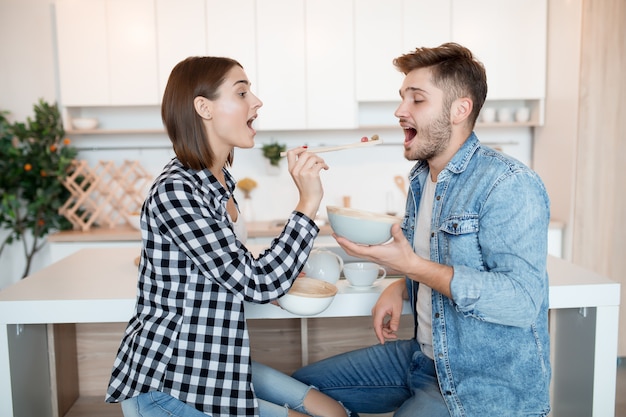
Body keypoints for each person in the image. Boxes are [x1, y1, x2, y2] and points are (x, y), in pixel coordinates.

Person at [292, 42, 552, 417]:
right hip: (422, 358)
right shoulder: (423, 179)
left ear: (460, 109)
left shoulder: (508, 183)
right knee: (298, 391)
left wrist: (412, 269)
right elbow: (436, 262)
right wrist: (401, 285)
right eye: (402, 98)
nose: (400, 111)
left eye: (417, 99)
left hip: (481, 383)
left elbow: (521, 303)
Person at [105, 56, 347, 417]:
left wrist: (279, 278)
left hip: (216, 364)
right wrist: (308, 201)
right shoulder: (177, 191)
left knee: (334, 412)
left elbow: (235, 270)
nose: (257, 102)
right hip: (171, 382)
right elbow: (256, 282)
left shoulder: (219, 185)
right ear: (203, 108)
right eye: (242, 92)